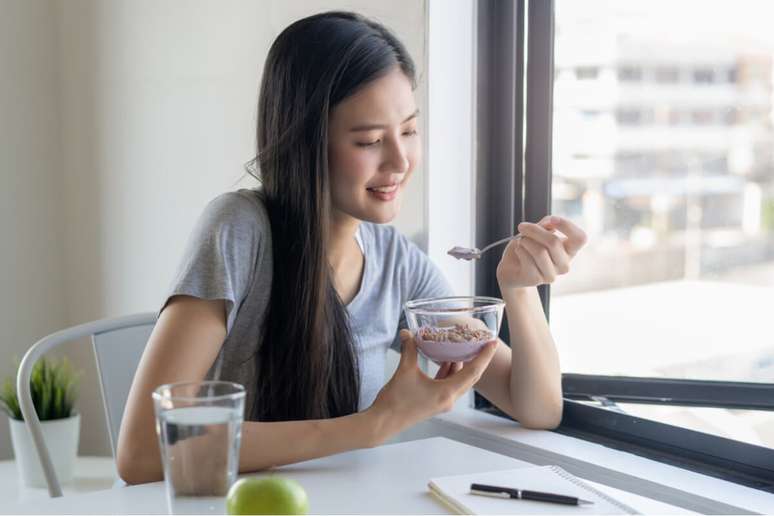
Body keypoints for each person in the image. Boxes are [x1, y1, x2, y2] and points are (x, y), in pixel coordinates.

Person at [116, 11, 587, 485]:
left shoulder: (397, 264)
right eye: (369, 140)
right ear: (306, 143)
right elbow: (142, 452)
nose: (400, 161)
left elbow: (538, 407)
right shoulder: (240, 231)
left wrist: (519, 291)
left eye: (408, 130)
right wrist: (373, 425)